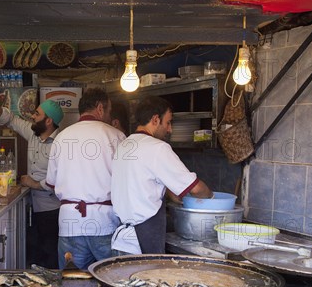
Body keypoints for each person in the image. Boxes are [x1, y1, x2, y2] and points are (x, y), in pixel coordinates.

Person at [111, 96, 212, 255]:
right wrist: (211, 197)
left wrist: (168, 192)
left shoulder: (124, 145)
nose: (170, 129)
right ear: (155, 120)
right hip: (142, 243)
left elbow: (139, 184)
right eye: (168, 122)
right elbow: (196, 189)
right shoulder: (157, 148)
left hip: (121, 242)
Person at [0, 99, 64, 269]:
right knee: (33, 255)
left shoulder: (61, 142)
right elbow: (11, 120)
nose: (32, 116)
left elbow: (63, 176)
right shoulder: (32, 133)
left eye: (37, 114)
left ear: (49, 121)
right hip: (31, 206)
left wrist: (35, 184)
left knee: (50, 254)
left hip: (52, 209)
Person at [46, 88, 126, 270]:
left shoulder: (61, 137)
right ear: (99, 108)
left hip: (70, 223)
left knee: (72, 284)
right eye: (108, 110)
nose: (109, 115)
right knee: (110, 280)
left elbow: (51, 182)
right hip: (105, 223)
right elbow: (127, 183)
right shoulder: (116, 136)